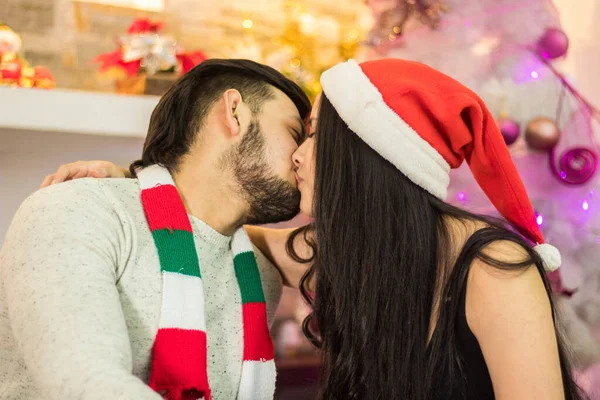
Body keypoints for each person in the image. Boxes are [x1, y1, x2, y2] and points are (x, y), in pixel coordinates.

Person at [42, 58, 585, 400]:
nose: (298, 157)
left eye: (315, 134)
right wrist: (135, 185)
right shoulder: (340, 254)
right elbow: (213, 227)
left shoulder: (493, 267)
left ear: (366, 156)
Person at [0, 59, 311, 400]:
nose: (302, 155)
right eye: (295, 133)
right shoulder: (78, 210)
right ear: (234, 111)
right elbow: (87, 385)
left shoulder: (257, 272)